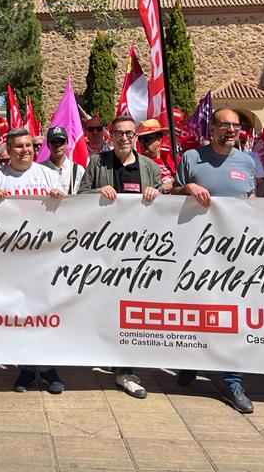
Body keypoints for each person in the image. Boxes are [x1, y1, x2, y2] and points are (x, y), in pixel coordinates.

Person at [172, 108, 257, 413]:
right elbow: (171, 195)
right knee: (196, 309)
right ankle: (191, 359)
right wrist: (187, 188)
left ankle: (233, 381)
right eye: (225, 125)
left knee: (233, 314)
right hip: (195, 252)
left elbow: (253, 202)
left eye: (236, 126)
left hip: (235, 254)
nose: (232, 130)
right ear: (213, 129)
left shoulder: (248, 162)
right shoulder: (192, 158)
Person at [79, 114, 163, 399]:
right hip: (105, 250)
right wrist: (95, 192)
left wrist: (158, 192)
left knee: (131, 310)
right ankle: (109, 356)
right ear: (109, 136)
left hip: (140, 251)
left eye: (129, 133)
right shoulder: (97, 163)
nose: (124, 138)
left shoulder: (150, 167)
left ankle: (124, 370)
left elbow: (167, 202)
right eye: (118, 133)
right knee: (106, 307)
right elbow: (78, 198)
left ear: (136, 137)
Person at [0, 128, 66, 394]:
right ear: (8, 151)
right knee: (20, 317)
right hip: (12, 260)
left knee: (44, 315)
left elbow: (67, 212)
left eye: (29, 146)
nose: (25, 150)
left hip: (43, 257)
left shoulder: (48, 175)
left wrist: (59, 199)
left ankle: (49, 368)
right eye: (18, 146)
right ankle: (26, 370)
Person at [41, 125, 84, 195]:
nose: (58, 146)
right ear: (48, 145)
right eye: (54, 142)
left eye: (61, 141)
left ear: (67, 144)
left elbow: (84, 195)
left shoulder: (78, 170)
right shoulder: (40, 169)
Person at [136, 118, 175, 191]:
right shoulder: (137, 162)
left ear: (159, 140)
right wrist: (167, 186)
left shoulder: (171, 157)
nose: (142, 143)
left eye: (147, 138)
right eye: (140, 139)